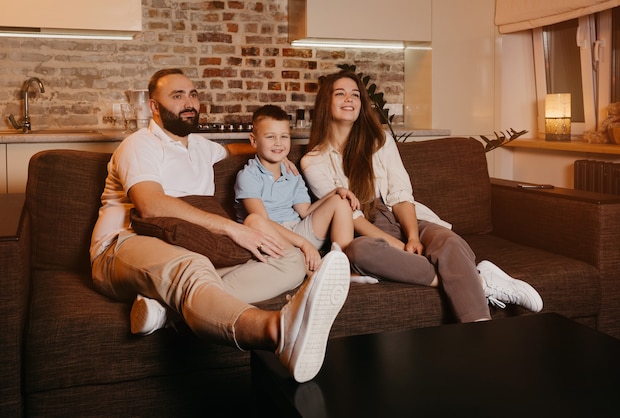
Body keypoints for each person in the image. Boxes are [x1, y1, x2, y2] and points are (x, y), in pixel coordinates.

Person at [89, 68, 350, 383]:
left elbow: (235, 150)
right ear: (154, 107)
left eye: (193, 94)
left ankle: (169, 308)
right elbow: (151, 204)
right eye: (177, 95)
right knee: (192, 265)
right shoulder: (139, 145)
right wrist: (230, 228)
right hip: (122, 246)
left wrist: (278, 157)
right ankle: (278, 331)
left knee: (290, 259)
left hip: (189, 245)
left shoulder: (200, 147)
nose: (189, 102)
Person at [300, 69, 542, 323]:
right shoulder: (313, 162)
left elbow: (400, 193)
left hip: (402, 216)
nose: (349, 99)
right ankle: (480, 281)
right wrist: (400, 247)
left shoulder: (379, 140)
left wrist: (413, 236)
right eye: (340, 94)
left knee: (449, 242)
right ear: (326, 102)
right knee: (359, 252)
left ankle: (479, 328)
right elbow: (353, 217)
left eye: (355, 95)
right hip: (368, 231)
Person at [234, 104, 358, 272]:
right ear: (254, 140)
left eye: (284, 137)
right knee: (258, 223)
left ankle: (342, 267)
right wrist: (303, 244)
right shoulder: (248, 176)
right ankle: (312, 270)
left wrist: (334, 193)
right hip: (271, 239)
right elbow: (262, 222)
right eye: (270, 137)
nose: (278, 143)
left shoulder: (291, 173)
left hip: (298, 232)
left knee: (341, 201)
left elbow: (306, 211)